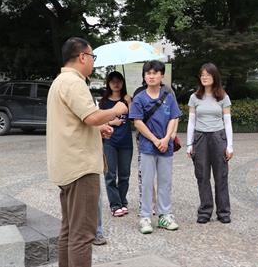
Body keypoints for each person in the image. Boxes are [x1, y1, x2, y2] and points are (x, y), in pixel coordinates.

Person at [47, 37, 127, 267]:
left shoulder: (59, 81)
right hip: (80, 168)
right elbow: (91, 116)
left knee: (69, 229)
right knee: (82, 235)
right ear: (82, 57)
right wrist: (117, 109)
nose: (93, 61)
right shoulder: (74, 83)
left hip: (66, 166)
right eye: (92, 56)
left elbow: (73, 121)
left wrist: (98, 128)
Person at [130, 60, 182, 234]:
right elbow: (137, 122)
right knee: (146, 182)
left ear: (162, 76)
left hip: (166, 146)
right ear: (144, 77)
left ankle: (164, 215)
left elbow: (174, 118)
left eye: (154, 73)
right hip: (147, 146)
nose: (151, 76)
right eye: (148, 73)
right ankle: (145, 216)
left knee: (165, 182)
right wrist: (154, 140)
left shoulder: (169, 97)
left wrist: (166, 139)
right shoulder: (139, 98)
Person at [186, 63, 233, 224]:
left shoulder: (223, 97)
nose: (205, 77)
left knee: (221, 176)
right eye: (202, 75)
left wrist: (230, 145)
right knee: (202, 175)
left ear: (215, 77)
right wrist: (189, 144)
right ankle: (205, 211)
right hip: (200, 138)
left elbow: (228, 123)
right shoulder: (194, 97)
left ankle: (223, 211)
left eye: (208, 74)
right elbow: (191, 122)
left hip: (218, 137)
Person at [100, 71, 133, 217]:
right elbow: (99, 121)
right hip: (109, 142)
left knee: (125, 174)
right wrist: (112, 122)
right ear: (108, 83)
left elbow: (135, 118)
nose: (116, 84)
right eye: (112, 81)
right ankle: (115, 204)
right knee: (110, 174)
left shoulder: (127, 100)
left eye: (118, 80)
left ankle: (122, 201)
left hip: (126, 142)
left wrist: (129, 102)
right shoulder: (104, 102)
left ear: (122, 83)